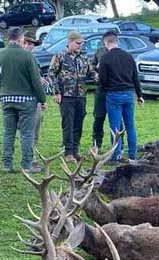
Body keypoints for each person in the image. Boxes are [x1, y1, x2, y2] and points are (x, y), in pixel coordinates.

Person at [0, 27, 46, 173]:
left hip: (6, 99)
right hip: (26, 100)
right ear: (20, 39)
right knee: (26, 134)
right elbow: (36, 81)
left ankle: (7, 164)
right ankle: (26, 165)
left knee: (8, 132)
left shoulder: (0, 55)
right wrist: (42, 98)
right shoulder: (27, 56)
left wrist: (1, 94)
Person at [47, 30, 97, 162]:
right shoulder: (60, 56)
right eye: (77, 43)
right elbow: (51, 74)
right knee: (68, 124)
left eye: (81, 43)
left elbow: (91, 72)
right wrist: (56, 92)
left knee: (78, 123)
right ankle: (68, 152)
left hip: (80, 95)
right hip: (66, 96)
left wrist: (102, 78)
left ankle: (75, 150)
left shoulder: (84, 57)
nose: (80, 46)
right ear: (69, 42)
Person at [97, 31, 143, 163]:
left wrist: (107, 89)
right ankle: (132, 154)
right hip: (129, 94)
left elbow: (102, 80)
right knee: (130, 126)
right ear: (117, 41)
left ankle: (116, 156)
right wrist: (140, 95)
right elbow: (135, 77)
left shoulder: (105, 58)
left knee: (115, 127)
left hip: (114, 95)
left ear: (106, 43)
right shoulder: (129, 56)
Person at [21, 31, 47, 146]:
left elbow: (38, 79)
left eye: (31, 44)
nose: (28, 46)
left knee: (36, 130)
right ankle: (28, 159)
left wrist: (42, 99)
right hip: (22, 99)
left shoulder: (34, 60)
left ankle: (32, 157)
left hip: (35, 98)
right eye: (26, 43)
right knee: (26, 131)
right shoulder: (18, 59)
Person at [92, 43, 108, 149]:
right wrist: (95, 73)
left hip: (113, 90)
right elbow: (92, 66)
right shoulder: (99, 51)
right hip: (100, 90)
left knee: (116, 120)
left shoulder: (118, 53)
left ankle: (117, 146)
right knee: (98, 118)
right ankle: (96, 144)